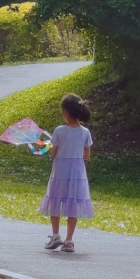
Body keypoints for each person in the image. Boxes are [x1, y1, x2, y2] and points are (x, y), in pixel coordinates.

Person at [40, 93, 93, 253]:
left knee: (55, 200)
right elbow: (87, 155)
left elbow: (53, 153)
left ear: (66, 112)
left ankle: (56, 235)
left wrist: (49, 151)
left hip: (60, 172)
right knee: (73, 204)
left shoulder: (59, 131)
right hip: (77, 173)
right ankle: (69, 240)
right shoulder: (85, 132)